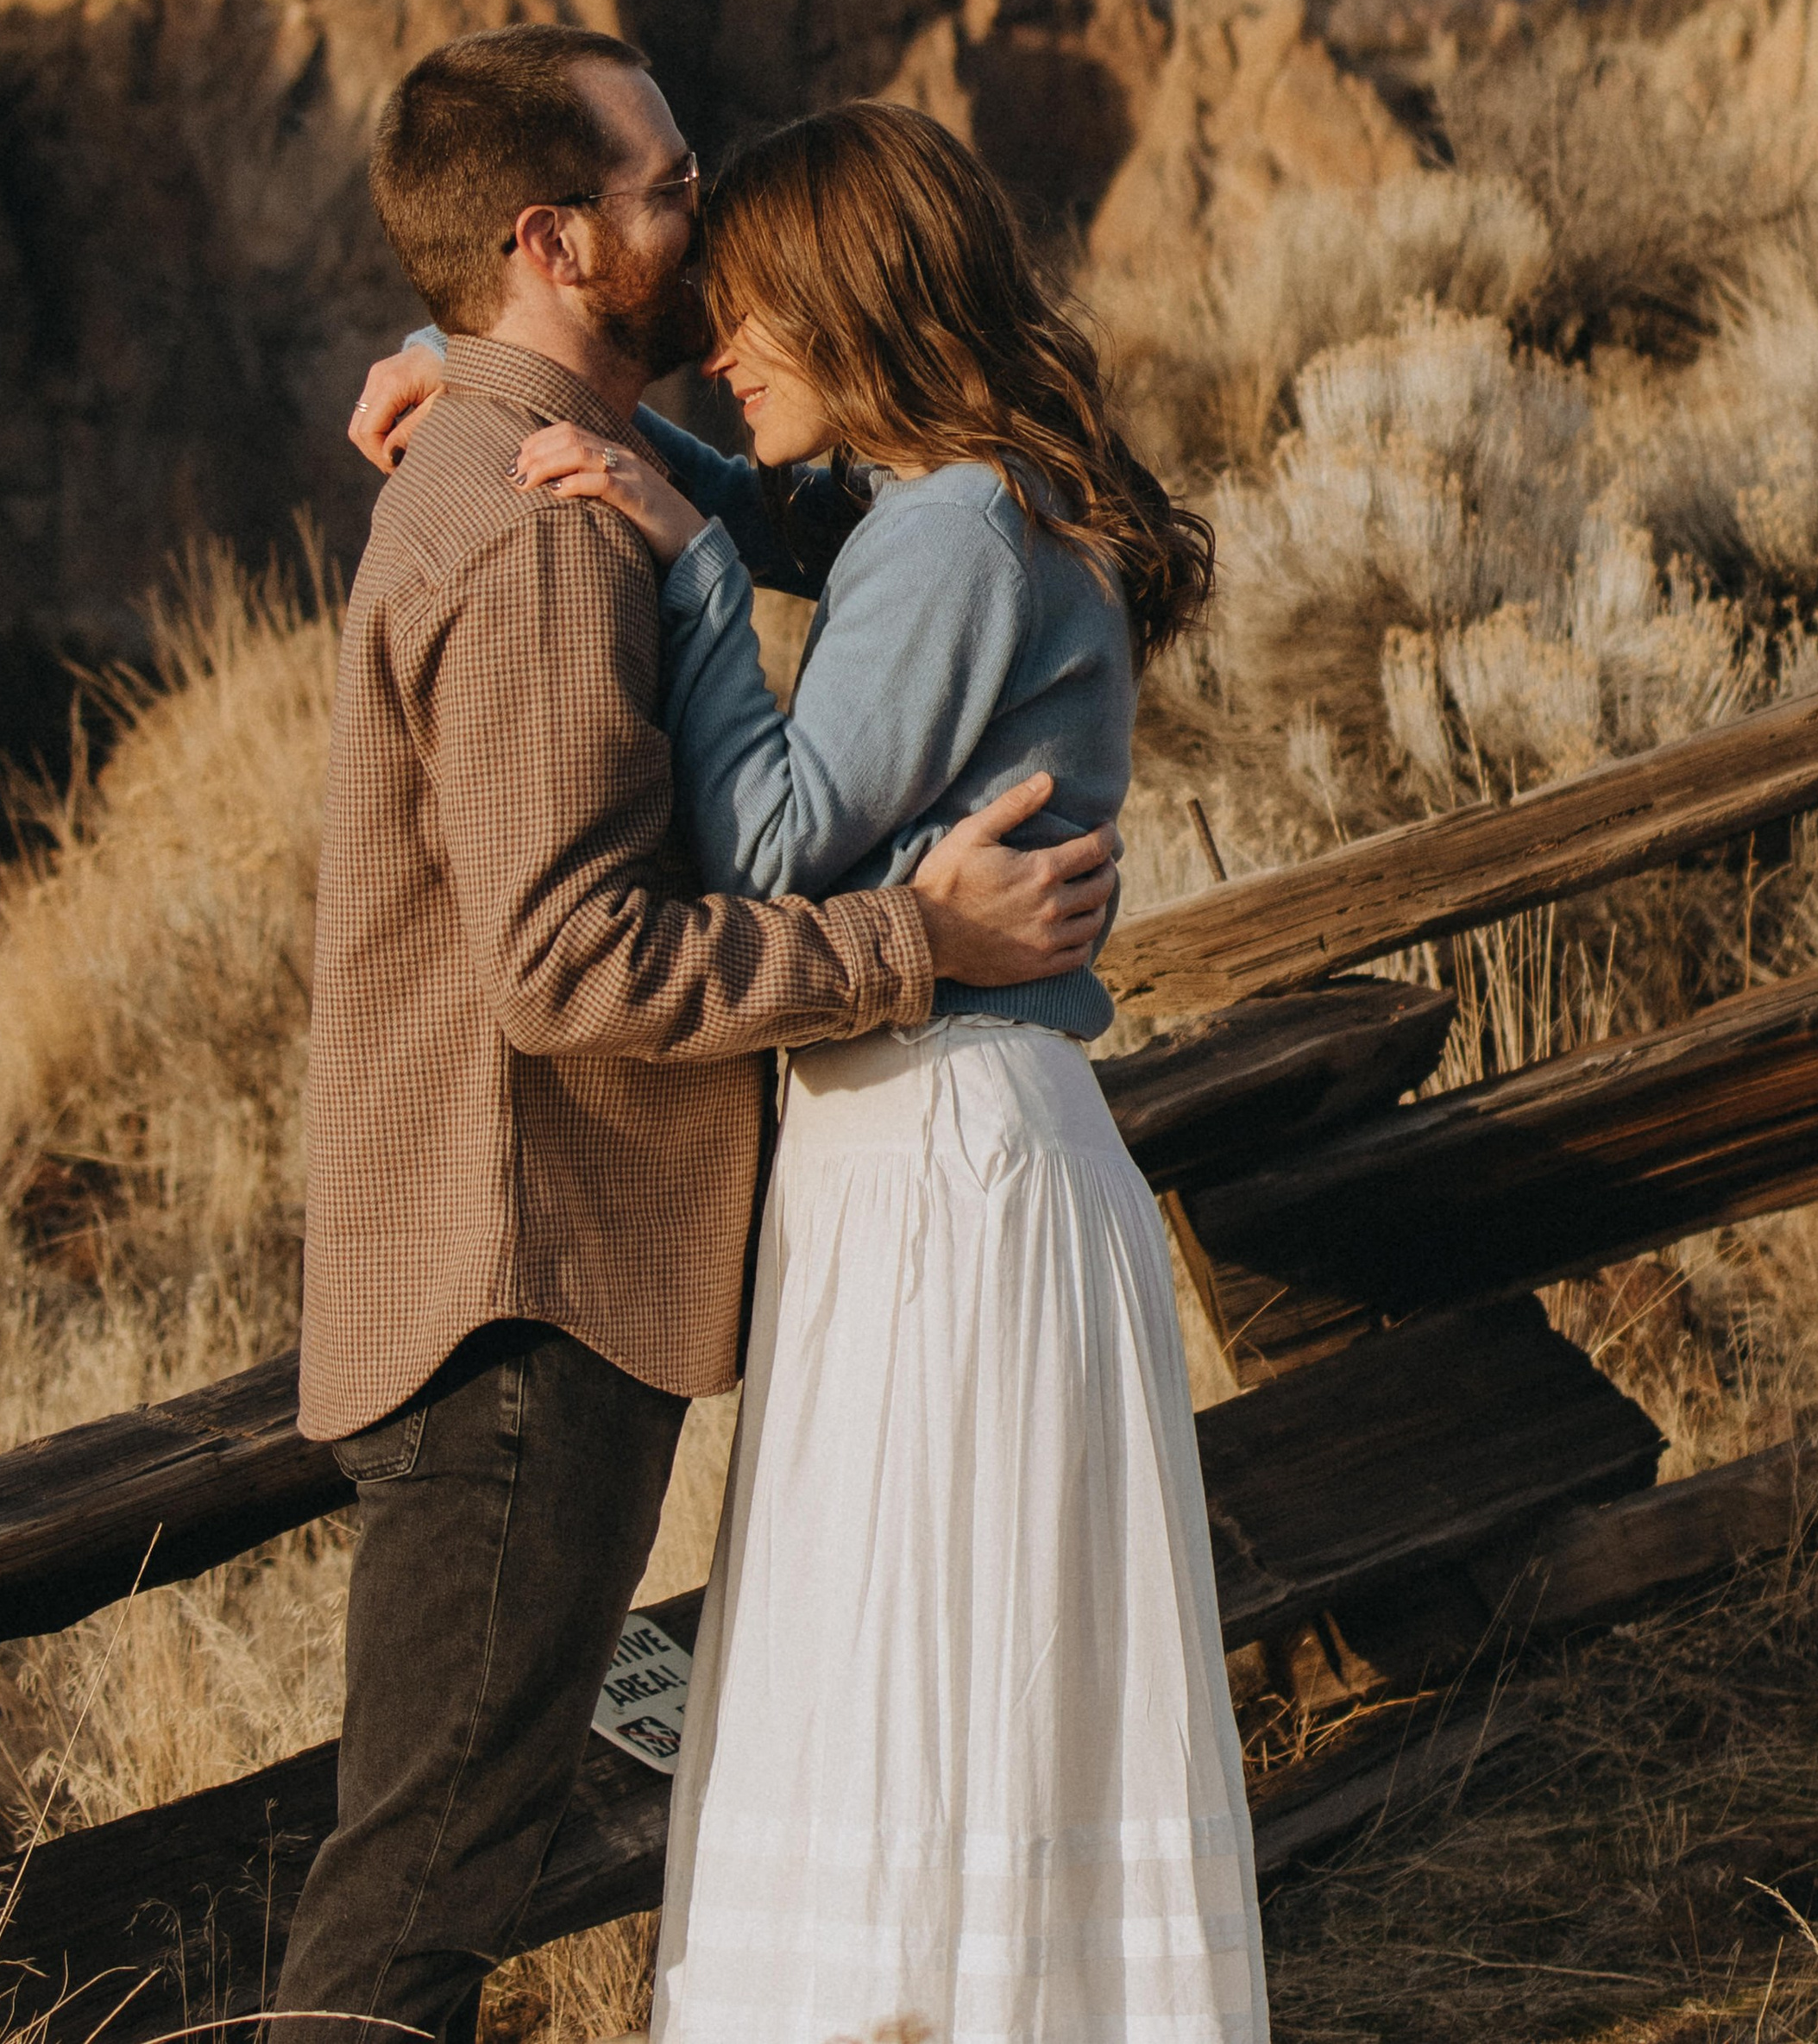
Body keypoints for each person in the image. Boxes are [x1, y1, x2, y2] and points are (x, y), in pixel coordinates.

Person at [274, 26, 1123, 2044]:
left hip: (528, 1274)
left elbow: (867, 518)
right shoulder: (548, 527)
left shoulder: (530, 467)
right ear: (556, 238)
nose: (703, 203)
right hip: (521, 1294)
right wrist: (909, 938)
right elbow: (570, 963)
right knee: (416, 1897)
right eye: (665, 181)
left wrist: (480, 367)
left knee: (428, 1860)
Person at [501, 99, 1269, 2044]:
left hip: (936, 1145)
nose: (717, 344)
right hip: (958, 1138)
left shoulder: (949, 532)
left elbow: (763, 844)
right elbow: (774, 502)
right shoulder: (973, 494)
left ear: (855, 307)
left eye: (754, 308)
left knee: (914, 1661)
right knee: (965, 1662)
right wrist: (475, 377)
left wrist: (677, 568)